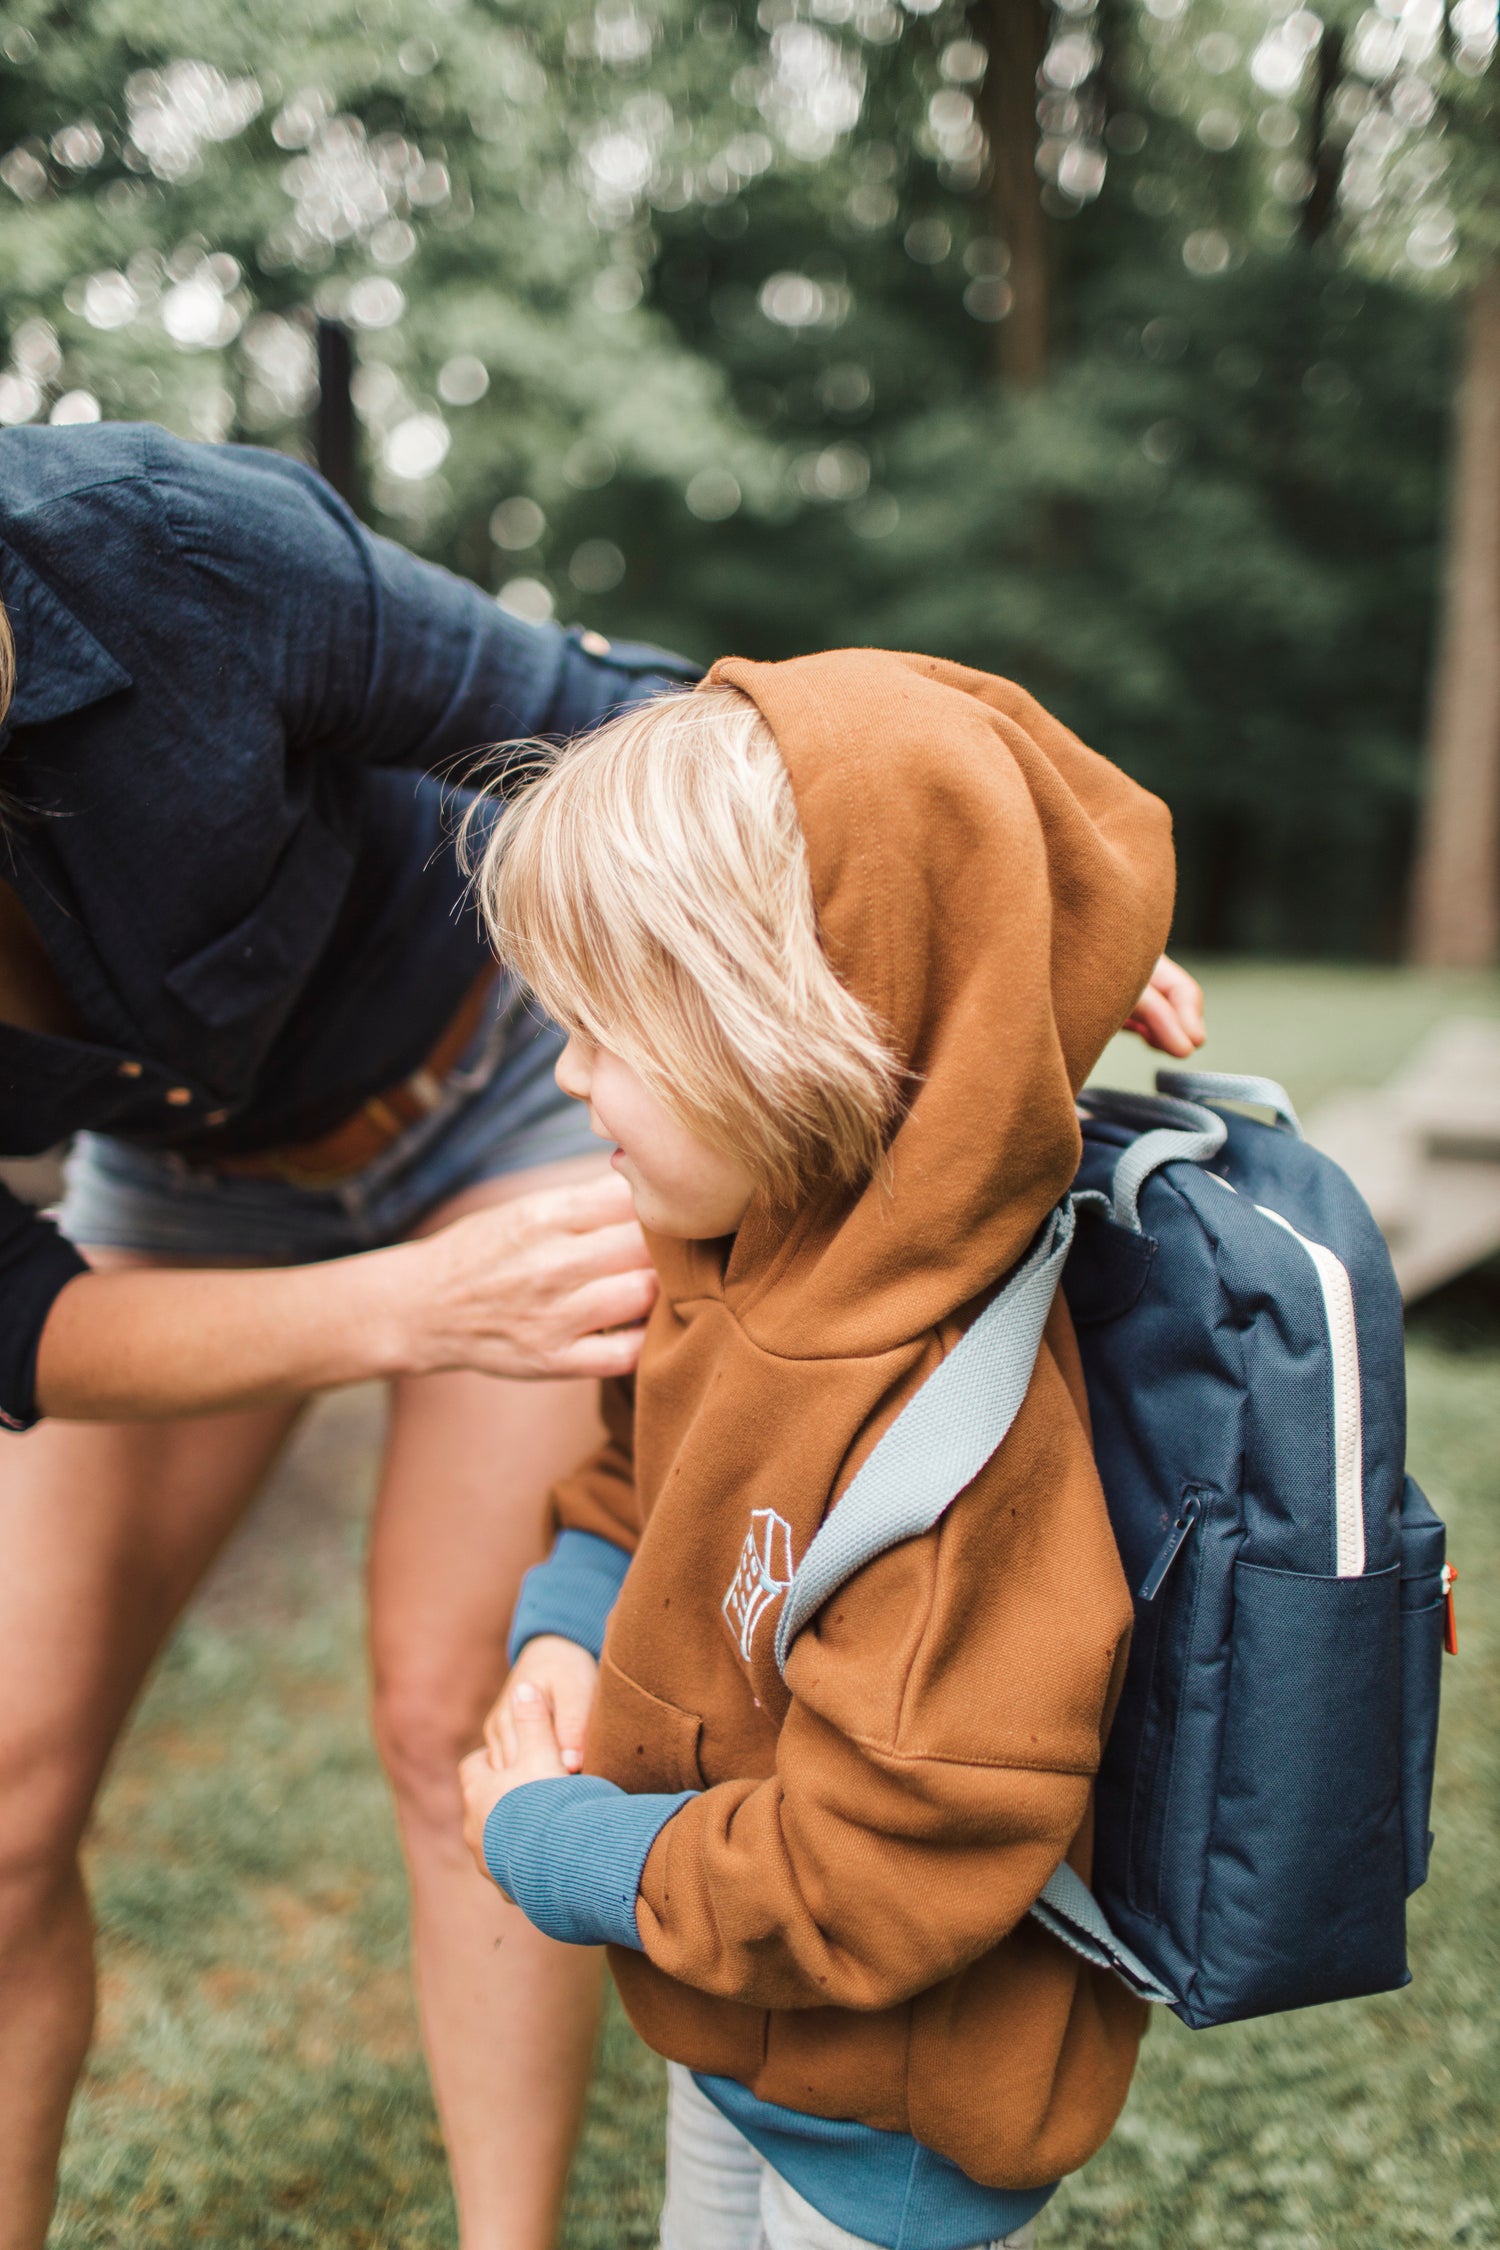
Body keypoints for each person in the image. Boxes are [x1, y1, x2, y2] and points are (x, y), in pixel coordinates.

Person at [0, 420, 696, 2250]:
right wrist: (396, 1307)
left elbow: (603, 712)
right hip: (183, 1186)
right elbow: (13, 1312)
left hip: (507, 1078)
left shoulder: (159, 551)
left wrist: (994, 887)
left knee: (451, 1708)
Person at [458, 656, 1192, 2250]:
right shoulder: (733, 1257)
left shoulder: (958, 1456)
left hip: (900, 2120)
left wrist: (559, 1843)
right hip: (734, 2019)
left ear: (812, 1023)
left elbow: (883, 1875)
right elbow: (630, 1491)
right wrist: (569, 1631)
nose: (570, 1076)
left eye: (614, 1032)